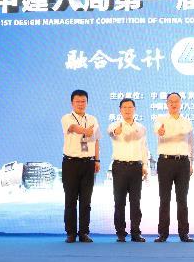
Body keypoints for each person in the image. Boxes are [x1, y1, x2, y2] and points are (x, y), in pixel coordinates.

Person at [154, 92, 194, 242]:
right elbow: (158, 131)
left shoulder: (187, 122)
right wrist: (161, 131)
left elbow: (191, 144)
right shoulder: (160, 120)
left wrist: (190, 162)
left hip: (183, 163)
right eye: (171, 101)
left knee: (182, 199)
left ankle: (184, 233)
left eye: (176, 101)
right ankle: (162, 233)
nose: (174, 104)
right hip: (165, 162)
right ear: (167, 104)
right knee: (164, 199)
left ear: (180, 103)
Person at [61, 89, 100, 243]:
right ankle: (71, 233)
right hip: (70, 163)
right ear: (72, 103)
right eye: (77, 101)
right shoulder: (66, 118)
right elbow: (72, 128)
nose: (80, 104)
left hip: (88, 163)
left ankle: (83, 232)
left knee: (86, 200)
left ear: (87, 103)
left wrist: (97, 160)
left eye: (83, 101)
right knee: (70, 199)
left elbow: (96, 140)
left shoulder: (93, 119)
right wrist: (85, 131)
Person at [107, 98, 149, 242]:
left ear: (134, 109)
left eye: (130, 107)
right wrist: (116, 131)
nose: (127, 110)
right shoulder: (114, 125)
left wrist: (145, 165)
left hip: (136, 167)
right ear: (120, 110)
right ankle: (120, 233)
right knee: (119, 201)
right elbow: (111, 132)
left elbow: (144, 148)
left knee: (135, 202)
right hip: (120, 167)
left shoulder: (141, 128)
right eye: (124, 107)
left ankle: (135, 232)